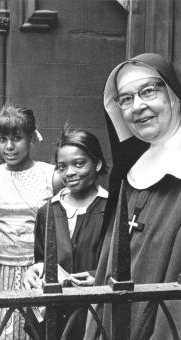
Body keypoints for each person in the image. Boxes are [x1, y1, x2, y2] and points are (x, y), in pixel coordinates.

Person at [84, 53, 181, 340]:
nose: (137, 106)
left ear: (173, 93)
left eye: (148, 90)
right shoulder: (131, 174)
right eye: (125, 99)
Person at [23, 126, 108, 340]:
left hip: (94, 314)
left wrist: (99, 277)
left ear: (96, 163)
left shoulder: (111, 208)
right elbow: (41, 258)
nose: (69, 172)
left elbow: (122, 265)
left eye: (79, 163)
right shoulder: (48, 211)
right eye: (62, 167)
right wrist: (35, 270)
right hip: (54, 315)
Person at [0, 104, 55, 340]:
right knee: (2, 331)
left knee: (34, 331)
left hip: (37, 269)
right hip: (0, 269)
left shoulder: (50, 175)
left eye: (17, 138)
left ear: (32, 137)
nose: (9, 146)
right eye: (2, 139)